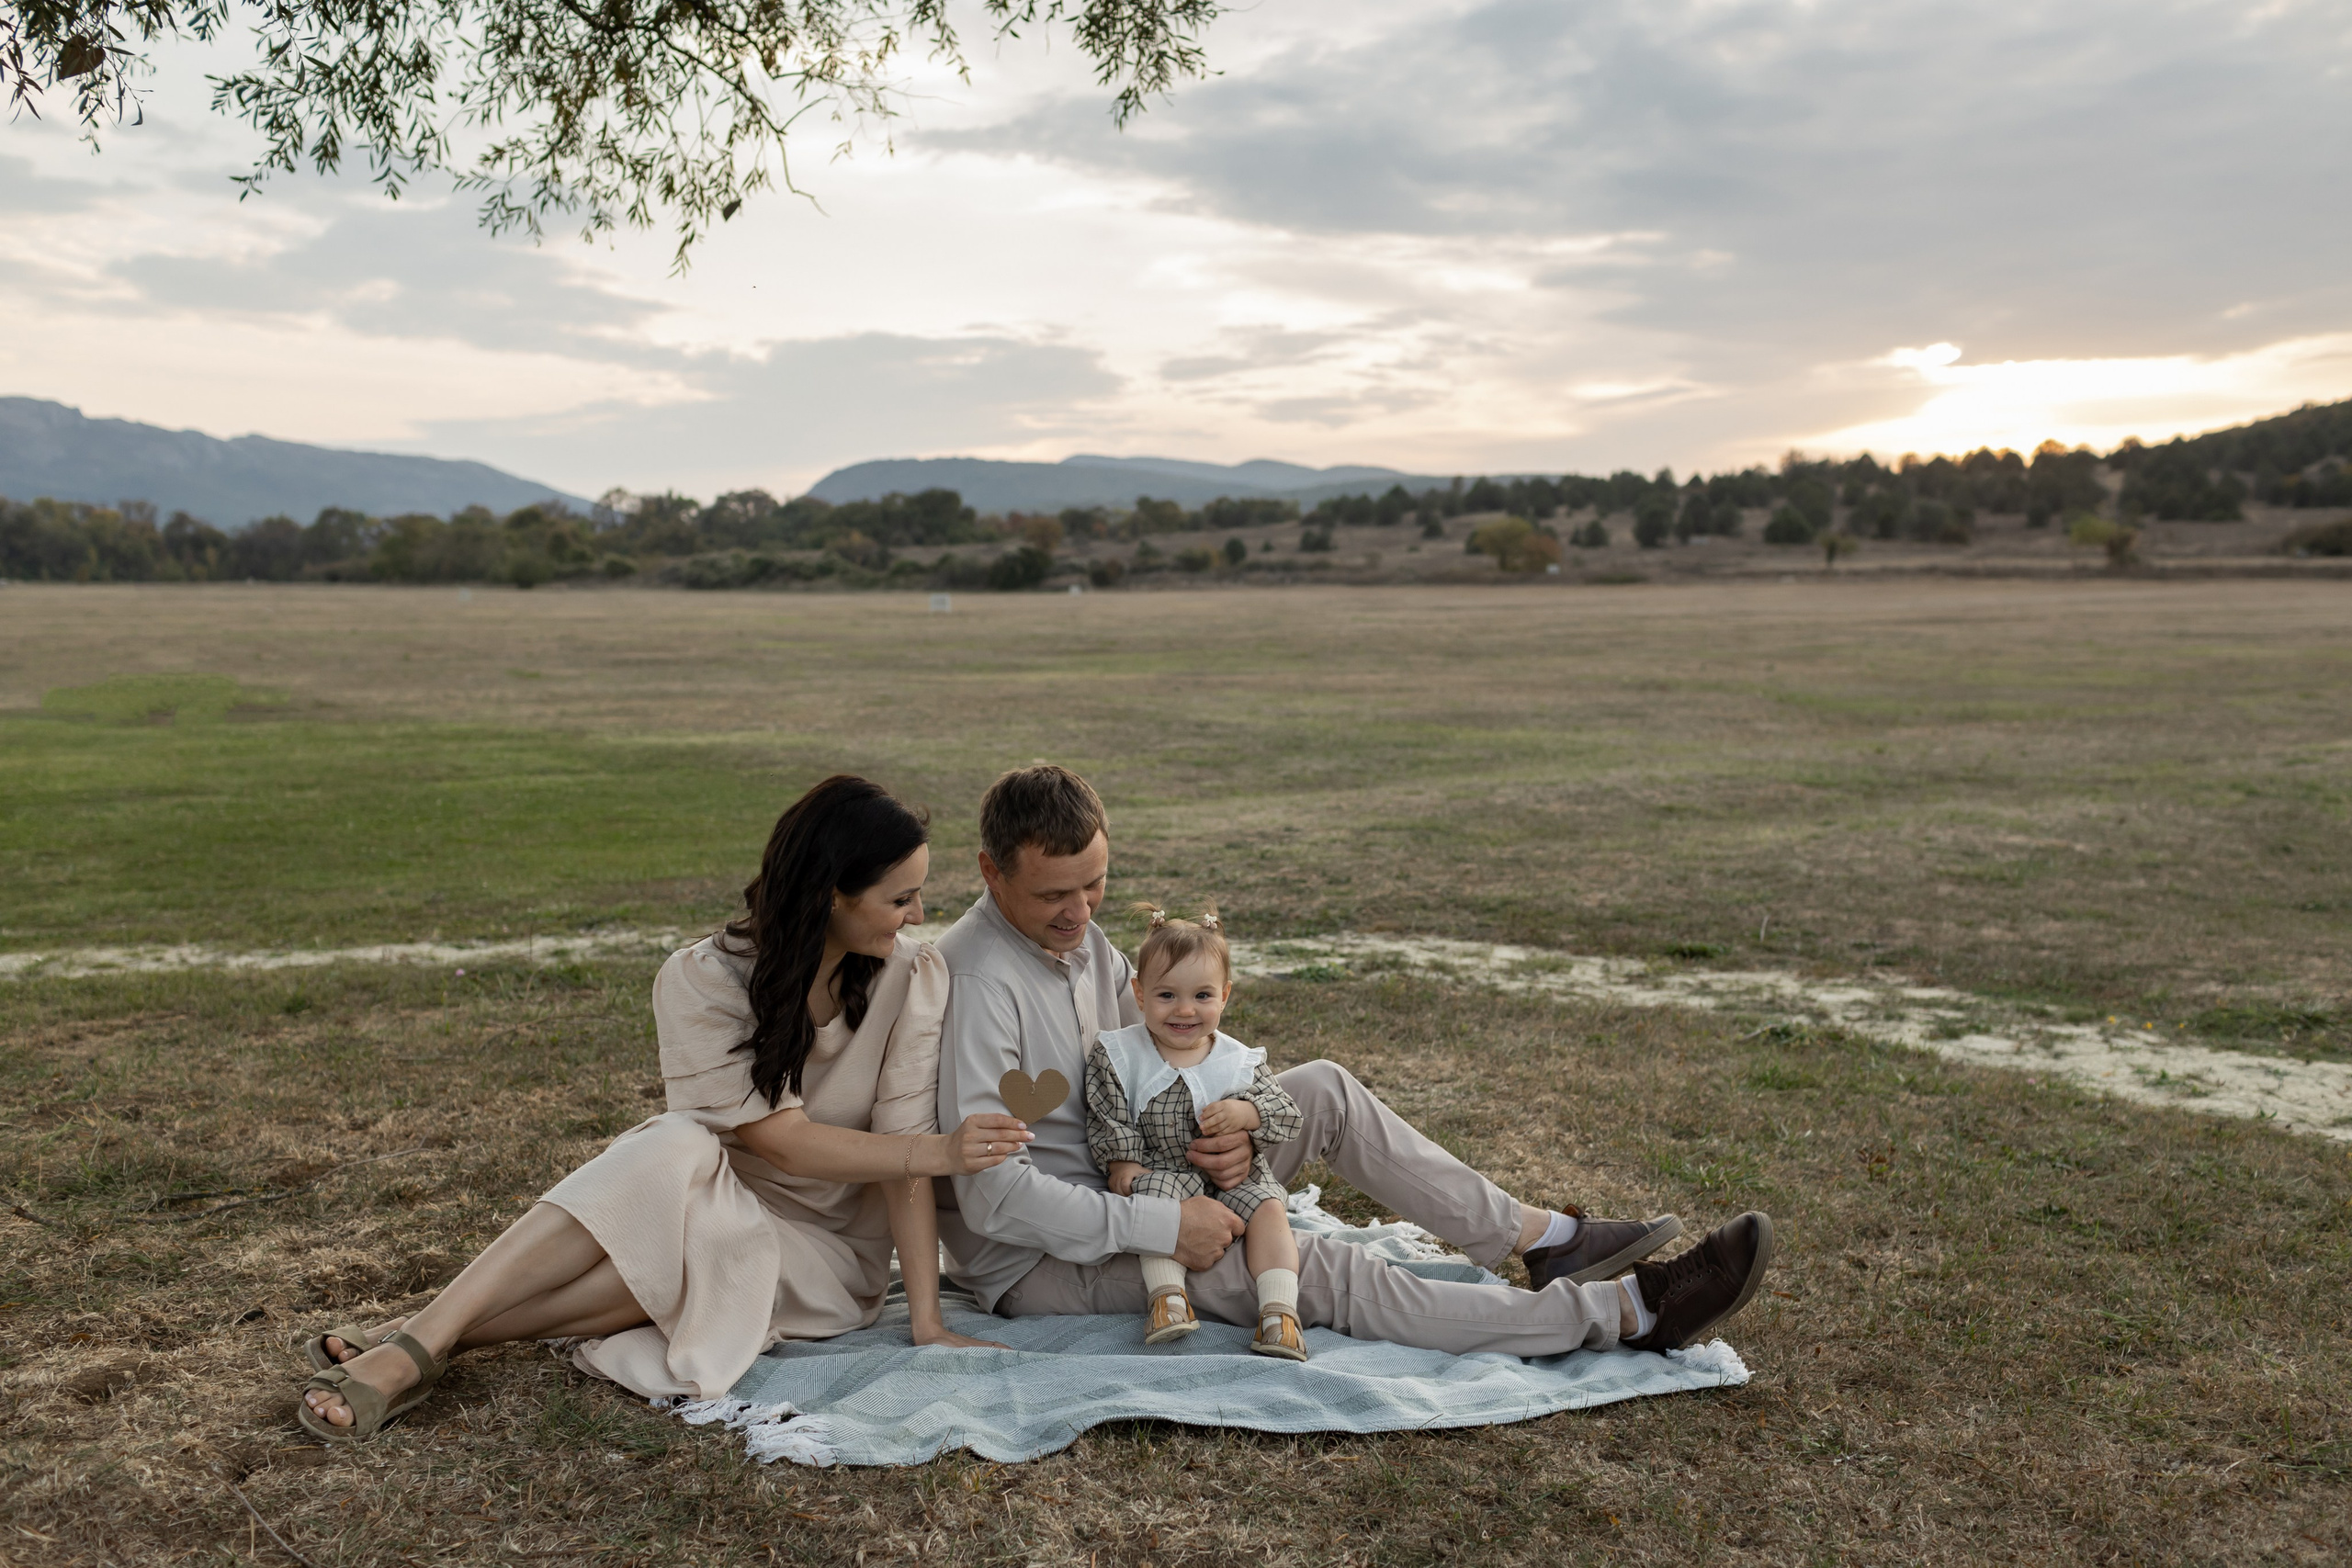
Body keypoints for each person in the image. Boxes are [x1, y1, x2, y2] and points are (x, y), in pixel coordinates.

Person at [935, 763, 1774, 1359]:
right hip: (1050, 1256)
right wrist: (1164, 1224)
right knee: (1311, 1265)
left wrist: (1244, 1119)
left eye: (1096, 885)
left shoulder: (1073, 936)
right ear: (989, 872)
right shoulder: (977, 982)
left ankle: (1546, 1237)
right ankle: (1625, 1312)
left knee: (1321, 1090)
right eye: (1054, 894)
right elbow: (992, 1195)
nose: (1080, 913)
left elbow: (1161, 1054)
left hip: (1148, 1164)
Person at [297, 775, 1029, 1442]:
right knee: (674, 1141)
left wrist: (927, 1320)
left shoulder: (913, 976)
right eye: (900, 898)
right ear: (831, 894)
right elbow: (783, 1143)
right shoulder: (703, 977)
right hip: (713, 1197)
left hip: (824, 1249)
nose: (919, 913)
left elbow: (901, 1149)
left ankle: (414, 1340)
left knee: (698, 1251)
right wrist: (944, 1151)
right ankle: (419, 1344)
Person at [1085, 906, 1306, 1358]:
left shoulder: (1238, 1059)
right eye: (1167, 995)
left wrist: (1247, 1114)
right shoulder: (1121, 1054)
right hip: (1164, 1170)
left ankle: (1279, 1312)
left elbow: (1286, 1114)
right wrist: (1123, 1157)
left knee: (1268, 1209)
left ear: (1225, 995)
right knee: (1155, 1206)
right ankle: (1167, 1298)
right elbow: (1106, 1110)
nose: (1185, 1010)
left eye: (1202, 996)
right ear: (1140, 993)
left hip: (1232, 1178)